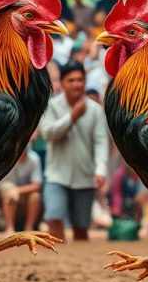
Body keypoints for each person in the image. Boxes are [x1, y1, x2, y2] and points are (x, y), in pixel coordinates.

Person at [39, 61, 108, 242]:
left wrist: (101, 170)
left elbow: (101, 142)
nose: (76, 84)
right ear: (62, 83)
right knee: (54, 218)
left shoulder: (95, 110)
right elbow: (47, 134)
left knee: (81, 229)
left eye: (80, 79)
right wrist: (72, 118)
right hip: (56, 176)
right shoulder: (51, 106)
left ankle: (80, 268)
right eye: (71, 80)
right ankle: (56, 266)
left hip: (84, 177)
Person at [0, 147, 43, 235]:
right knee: (10, 193)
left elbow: (37, 185)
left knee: (35, 196)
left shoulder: (34, 158)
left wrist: (18, 190)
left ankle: (29, 227)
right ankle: (10, 228)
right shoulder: (7, 157)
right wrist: (13, 191)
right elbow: (5, 184)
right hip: (9, 192)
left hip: (25, 194)